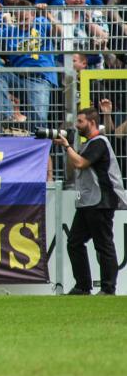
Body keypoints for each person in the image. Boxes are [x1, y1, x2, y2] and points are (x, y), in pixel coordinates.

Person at [57, 108, 127, 295]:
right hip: (89, 201)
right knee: (74, 242)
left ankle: (108, 289)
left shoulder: (99, 142)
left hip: (101, 201)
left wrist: (67, 146)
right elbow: (75, 166)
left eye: (80, 121)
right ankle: (82, 286)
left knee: (103, 245)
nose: (77, 125)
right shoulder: (89, 144)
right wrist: (68, 147)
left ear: (92, 123)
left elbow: (80, 163)